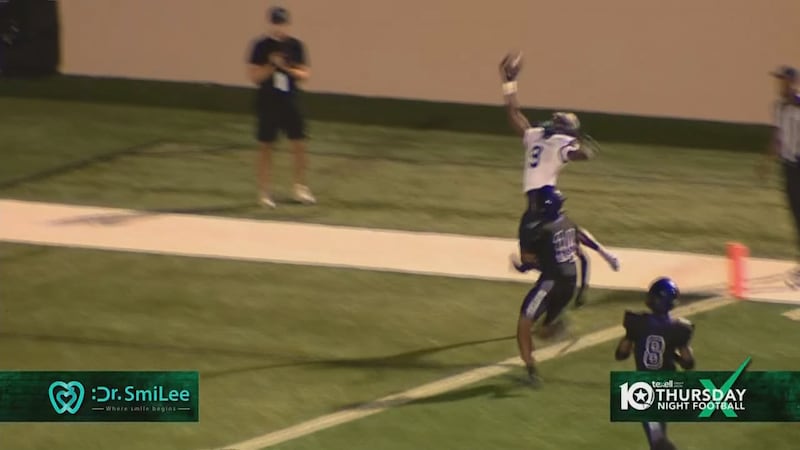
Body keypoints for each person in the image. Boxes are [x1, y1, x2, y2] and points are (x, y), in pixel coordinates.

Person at [509, 186, 580, 386]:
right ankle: (553, 325)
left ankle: (531, 371)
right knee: (544, 327)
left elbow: (529, 260)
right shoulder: (569, 223)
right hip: (570, 282)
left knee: (524, 322)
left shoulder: (543, 231)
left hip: (551, 283)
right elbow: (578, 253)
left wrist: (521, 266)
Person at [614, 277, 695, 450]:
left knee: (658, 441)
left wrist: (631, 337)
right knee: (658, 438)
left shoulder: (637, 322)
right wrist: (673, 354)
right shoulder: (679, 328)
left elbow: (621, 354)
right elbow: (688, 363)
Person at [247, 6, 315, 208]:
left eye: (282, 23)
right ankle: (264, 191)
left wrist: (286, 68)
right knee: (266, 145)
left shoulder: (296, 46)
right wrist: (270, 65)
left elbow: (305, 75)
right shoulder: (260, 46)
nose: (279, 27)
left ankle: (300, 187)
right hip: (268, 102)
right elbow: (254, 76)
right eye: (276, 23)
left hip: (290, 100)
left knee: (299, 143)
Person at [760, 66, 800, 286]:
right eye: (779, 81)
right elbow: (777, 136)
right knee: (796, 215)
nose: (780, 85)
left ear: (793, 82)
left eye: (784, 81)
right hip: (788, 167)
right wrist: (766, 162)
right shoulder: (778, 108)